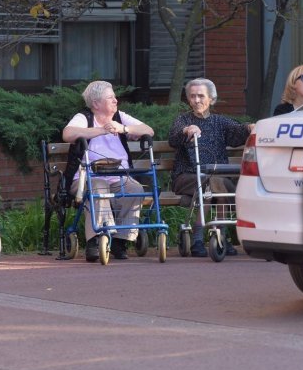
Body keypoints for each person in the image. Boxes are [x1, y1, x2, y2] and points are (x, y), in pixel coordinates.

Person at [63, 80, 154, 262]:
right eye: (110, 97)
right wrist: (100, 131)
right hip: (86, 178)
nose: (115, 100)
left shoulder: (120, 117)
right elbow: (68, 134)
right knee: (98, 186)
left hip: (119, 177)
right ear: (96, 104)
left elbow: (148, 130)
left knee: (135, 189)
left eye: (114, 96)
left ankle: (120, 241)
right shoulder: (84, 117)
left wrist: (124, 128)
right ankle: (95, 240)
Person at [168, 78, 254, 257]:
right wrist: (187, 130)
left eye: (201, 96)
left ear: (211, 99)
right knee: (210, 185)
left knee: (212, 185)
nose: (196, 100)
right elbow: (174, 138)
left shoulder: (220, 122)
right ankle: (211, 236)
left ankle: (210, 237)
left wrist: (250, 127)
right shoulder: (183, 120)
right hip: (187, 176)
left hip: (216, 180)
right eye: (193, 96)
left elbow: (238, 132)